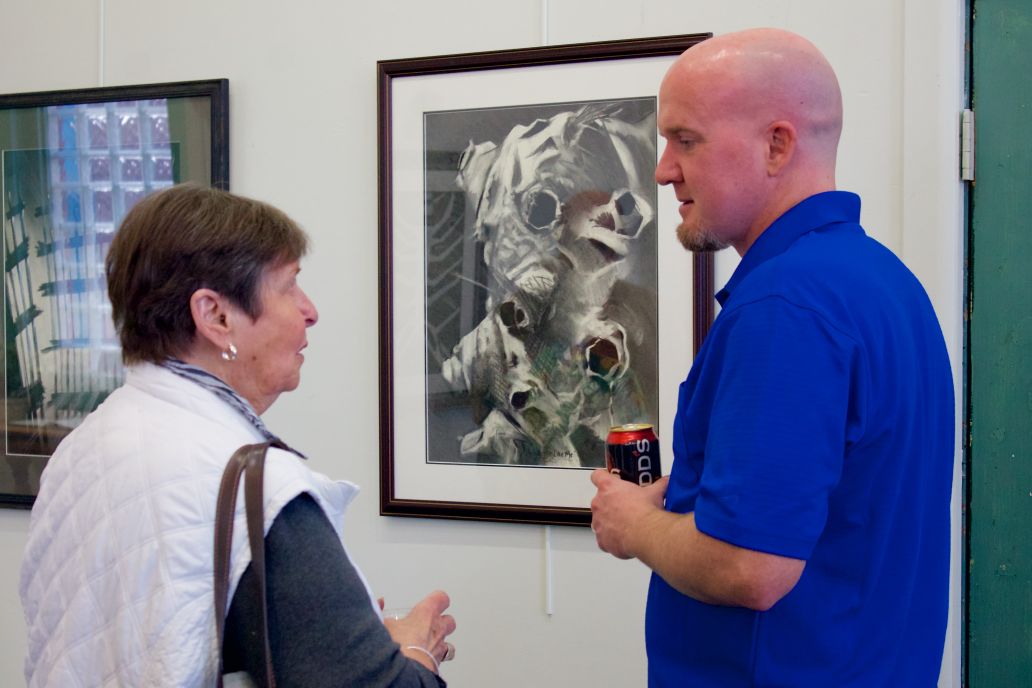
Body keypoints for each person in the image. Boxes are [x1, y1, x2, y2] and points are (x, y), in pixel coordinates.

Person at [589, 28, 954, 687]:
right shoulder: (886, 284)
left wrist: (634, 525)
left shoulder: (786, 305)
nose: (663, 169)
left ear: (777, 145)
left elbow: (749, 566)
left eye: (686, 140)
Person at [20, 184, 456, 687]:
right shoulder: (258, 487)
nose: (310, 310)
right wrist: (415, 651)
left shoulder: (85, 445)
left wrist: (336, 636)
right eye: (289, 286)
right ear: (216, 316)